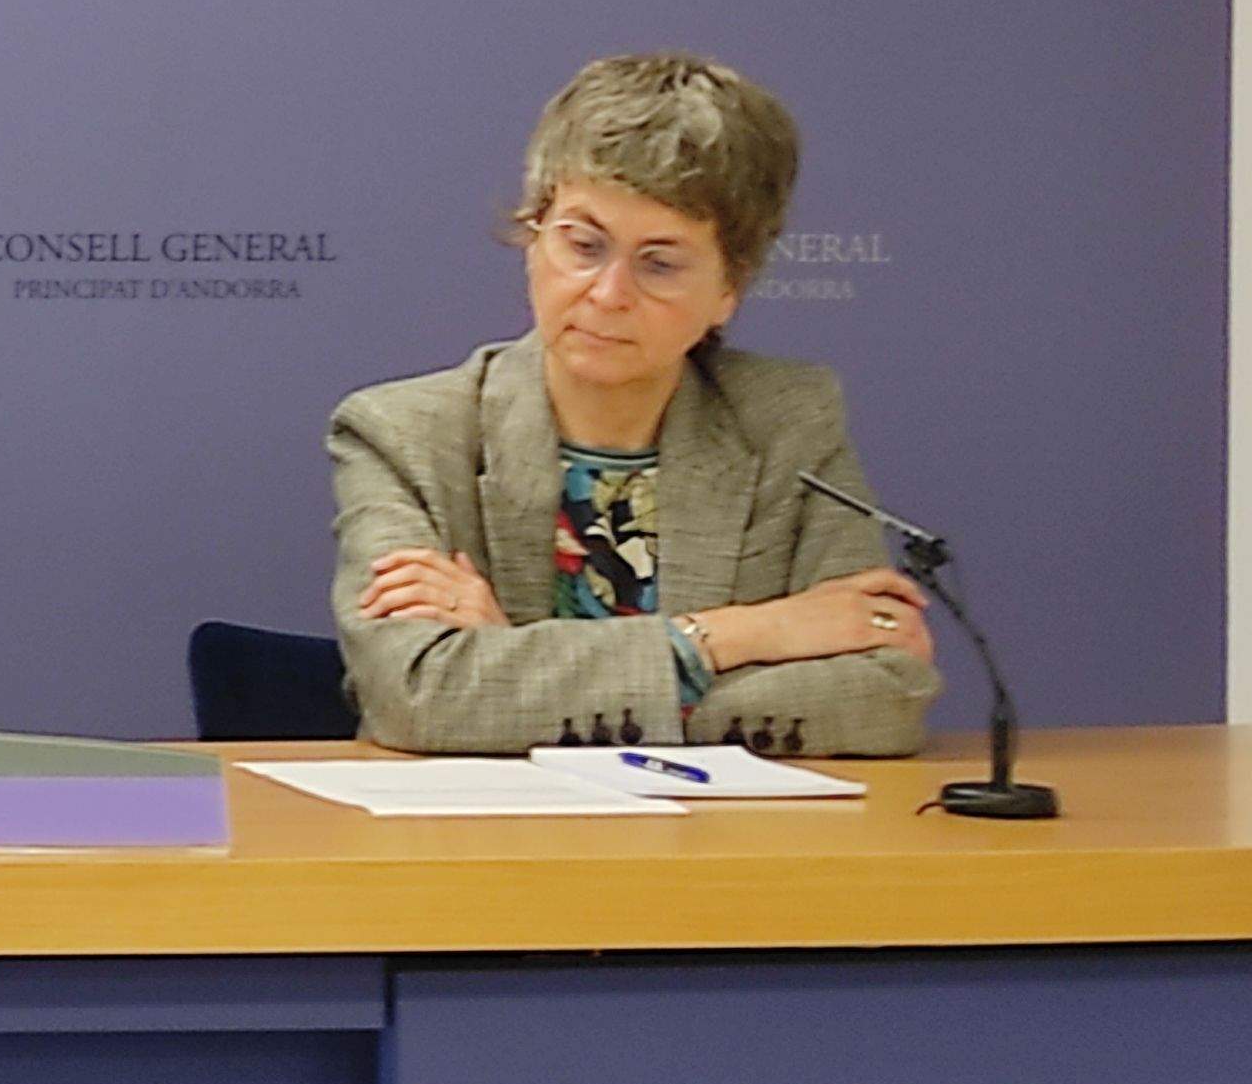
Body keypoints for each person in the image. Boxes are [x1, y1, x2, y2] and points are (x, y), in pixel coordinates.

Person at [324, 54, 939, 756]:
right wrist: (747, 634)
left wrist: (513, 673)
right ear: (532, 236)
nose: (609, 292)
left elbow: (885, 699)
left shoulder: (788, 423)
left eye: (659, 263)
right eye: (582, 245)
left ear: (729, 288)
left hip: (721, 855)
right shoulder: (404, 435)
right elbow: (419, 698)